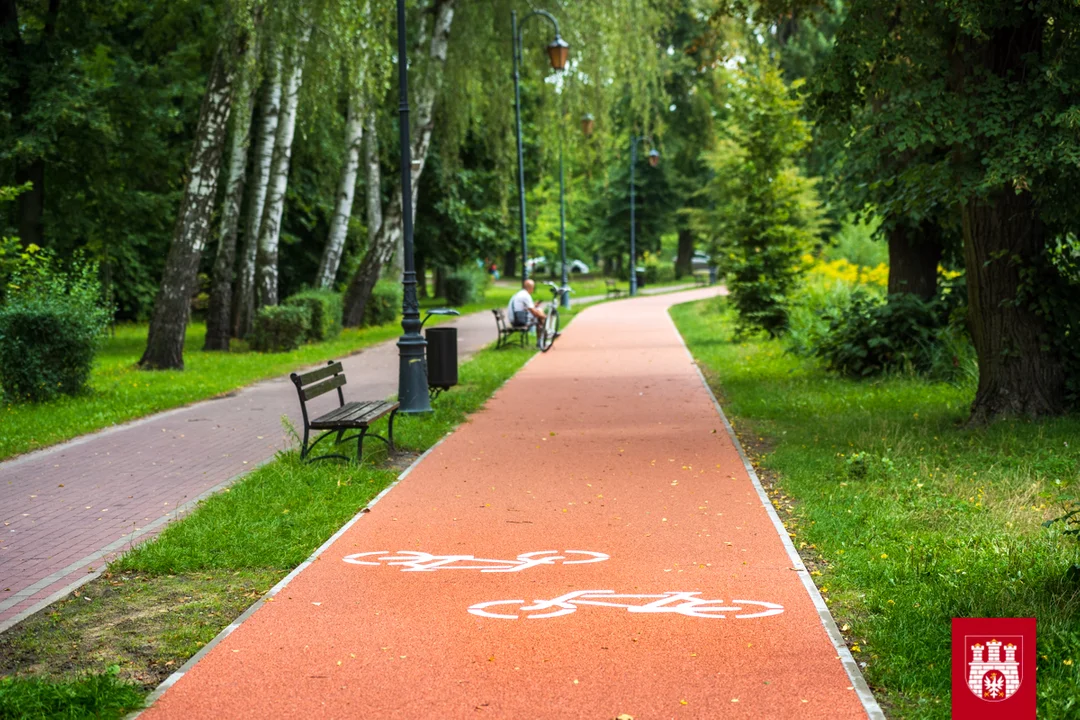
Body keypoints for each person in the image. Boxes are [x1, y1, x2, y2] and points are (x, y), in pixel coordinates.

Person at [507, 279, 545, 346]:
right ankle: (542, 340)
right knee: (539, 314)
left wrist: (534, 306)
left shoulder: (520, 293)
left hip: (514, 318)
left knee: (539, 313)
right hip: (518, 321)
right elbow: (534, 313)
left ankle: (543, 338)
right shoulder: (526, 296)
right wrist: (544, 316)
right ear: (531, 288)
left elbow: (524, 307)